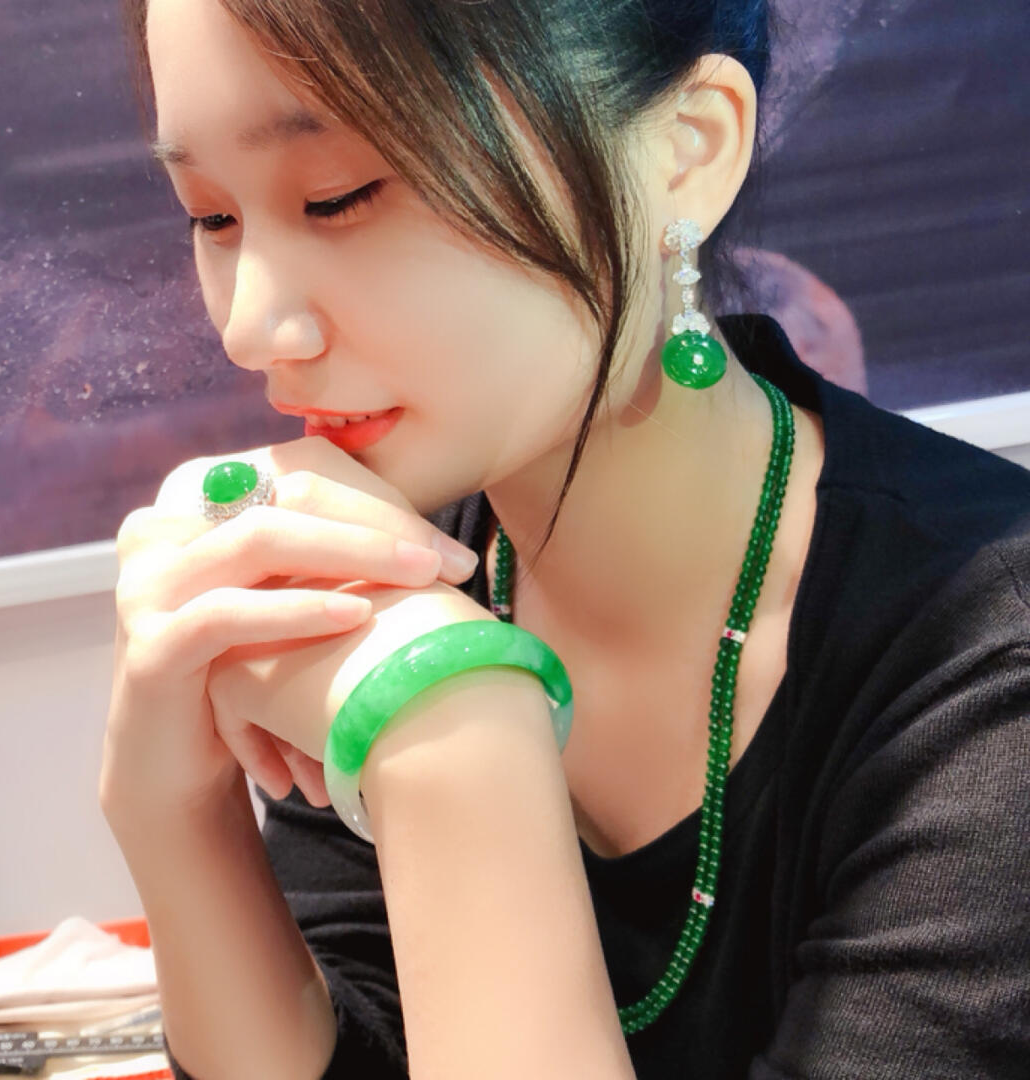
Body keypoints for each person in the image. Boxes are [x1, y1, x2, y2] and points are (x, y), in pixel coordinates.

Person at [100, 0, 1030, 1077]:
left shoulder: (986, 679)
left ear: (687, 151)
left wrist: (458, 747)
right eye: (212, 216)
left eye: (339, 196)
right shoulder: (407, 568)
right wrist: (177, 821)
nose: (250, 327)